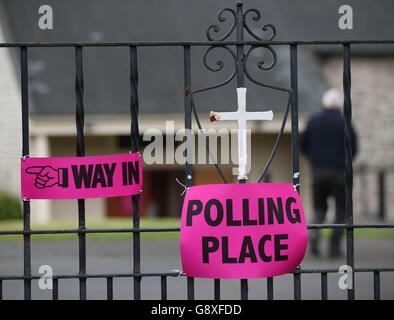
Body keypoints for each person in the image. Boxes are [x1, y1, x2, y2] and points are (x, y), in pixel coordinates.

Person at [301, 88, 357, 258]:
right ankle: (334, 247)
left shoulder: (314, 120)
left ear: (324, 103)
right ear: (338, 104)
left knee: (319, 208)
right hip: (340, 172)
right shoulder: (344, 122)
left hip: (318, 172)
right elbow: (353, 147)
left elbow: (303, 145)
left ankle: (315, 239)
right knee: (341, 210)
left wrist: (315, 159)